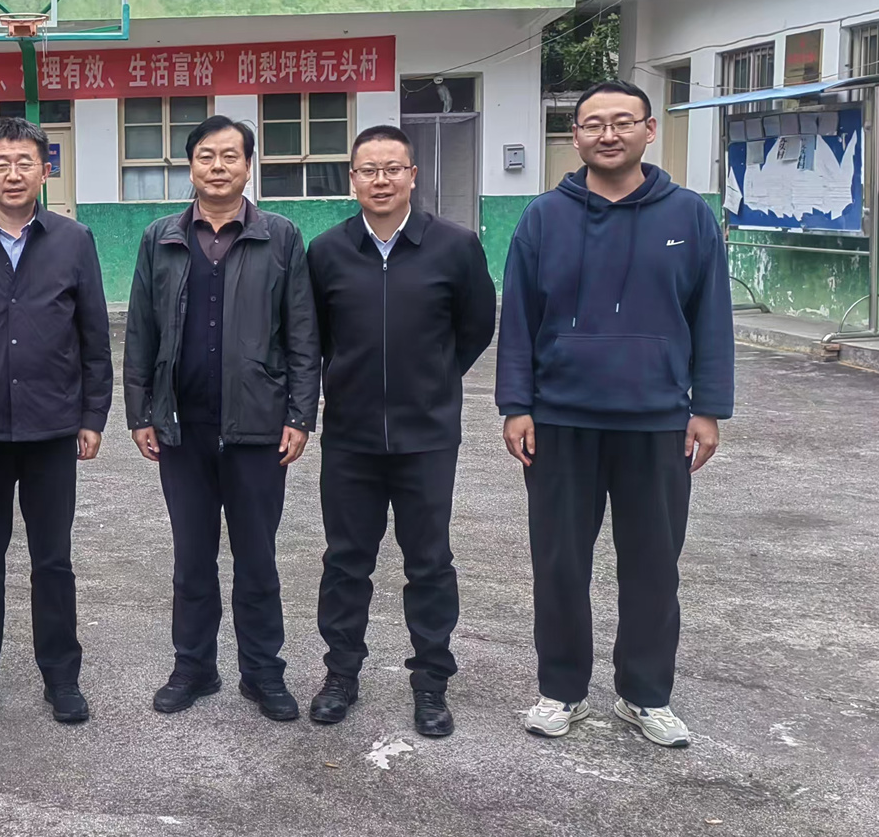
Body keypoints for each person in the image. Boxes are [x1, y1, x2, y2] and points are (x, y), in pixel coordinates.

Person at [496, 79, 734, 749]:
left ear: (648, 130)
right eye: (594, 123)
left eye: (623, 121)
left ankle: (645, 694)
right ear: (575, 136)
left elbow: (711, 317)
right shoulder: (544, 218)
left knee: (654, 567)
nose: (609, 134)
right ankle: (561, 689)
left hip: (657, 422)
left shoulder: (689, 217)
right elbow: (518, 319)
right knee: (560, 565)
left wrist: (709, 408)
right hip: (560, 421)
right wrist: (516, 405)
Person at [123, 115, 319, 722]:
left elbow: (302, 333)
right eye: (206, 155)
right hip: (183, 429)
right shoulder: (160, 237)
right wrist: (140, 411)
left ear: (248, 166)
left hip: (258, 427)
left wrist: (301, 415)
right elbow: (140, 330)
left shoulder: (280, 236)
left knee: (257, 558)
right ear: (191, 165)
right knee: (192, 558)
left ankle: (263, 673)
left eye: (230, 156)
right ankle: (194, 668)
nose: (217, 166)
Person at [305, 124, 496, 737]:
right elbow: (316, 337)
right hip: (351, 437)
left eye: (393, 168)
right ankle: (341, 674)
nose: (381, 180)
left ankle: (431, 682)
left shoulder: (455, 246)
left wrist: (434, 378)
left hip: (428, 437)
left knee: (430, 563)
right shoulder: (327, 251)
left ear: (413, 175)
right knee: (345, 561)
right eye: (369, 170)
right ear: (352, 179)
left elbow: (476, 326)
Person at [0, 117, 113, 726]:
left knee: (52, 561)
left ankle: (61, 677)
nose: (14, 173)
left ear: (45, 170)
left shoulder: (73, 240)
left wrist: (92, 415)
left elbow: (94, 338)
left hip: (51, 428)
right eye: (2, 163)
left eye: (25, 162)